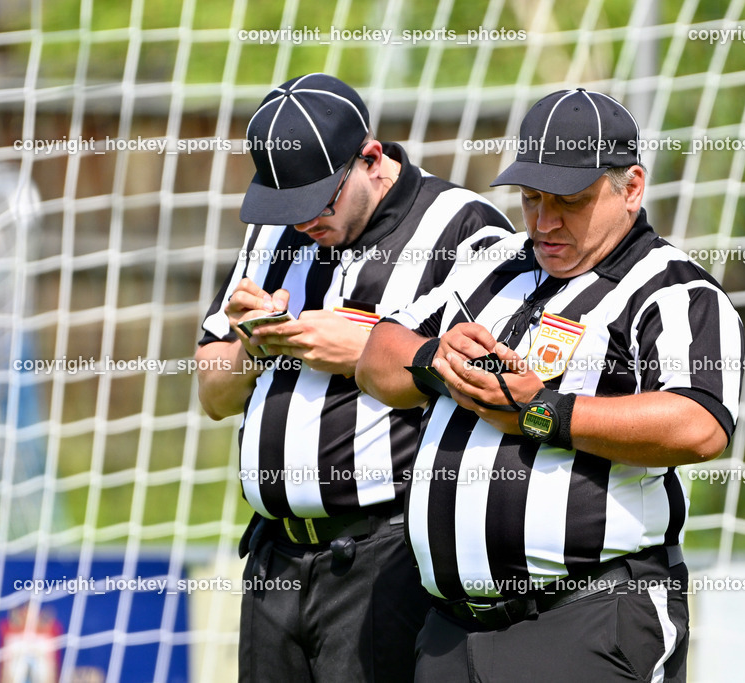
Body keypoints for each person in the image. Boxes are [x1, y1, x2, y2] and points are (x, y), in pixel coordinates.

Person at [356, 88, 745, 681]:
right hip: (446, 632)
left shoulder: (674, 290)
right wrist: (435, 359)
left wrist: (542, 413)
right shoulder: (493, 262)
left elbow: (700, 426)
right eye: (531, 198)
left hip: (586, 619)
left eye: (570, 201)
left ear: (631, 188)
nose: (544, 222)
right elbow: (376, 357)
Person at [194, 73, 514, 682]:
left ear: (369, 158)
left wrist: (363, 351)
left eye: (319, 200)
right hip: (273, 558)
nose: (302, 221)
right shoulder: (274, 230)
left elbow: (498, 384)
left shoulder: (463, 226)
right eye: (287, 206)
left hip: (383, 557)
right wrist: (253, 345)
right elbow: (213, 394)